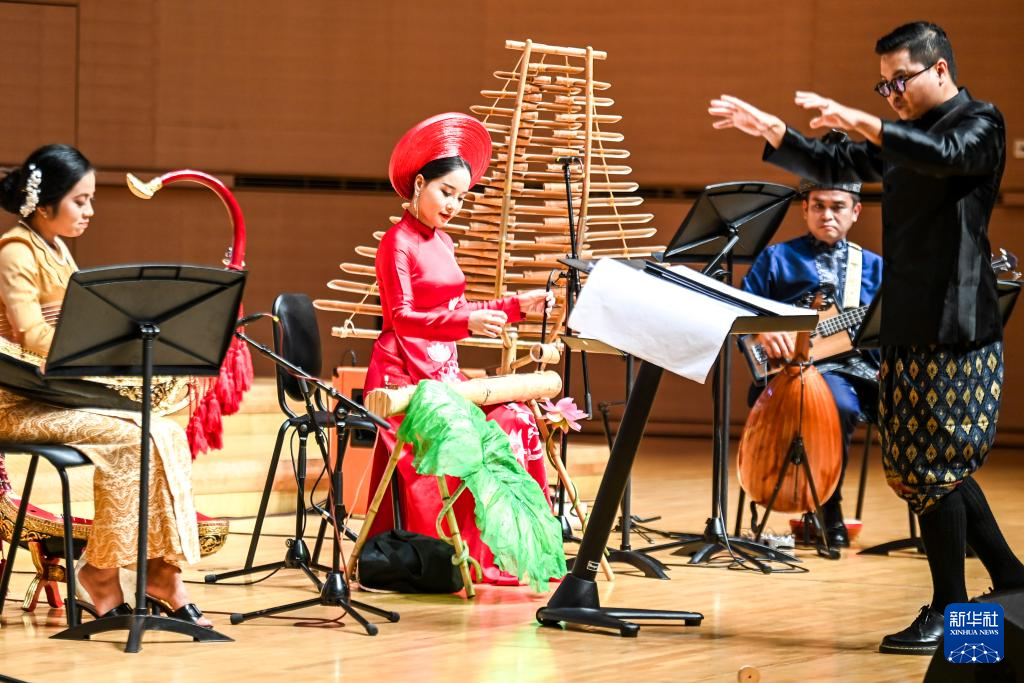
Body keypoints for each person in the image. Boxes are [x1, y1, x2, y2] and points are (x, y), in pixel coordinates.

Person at [710, 20, 1024, 656]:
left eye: (899, 81)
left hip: (956, 329)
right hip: (908, 323)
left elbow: (939, 156)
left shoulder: (979, 124)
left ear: (940, 70)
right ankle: (1014, 581)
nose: (893, 94)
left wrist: (866, 119)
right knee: (922, 470)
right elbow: (836, 161)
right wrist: (775, 132)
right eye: (883, 87)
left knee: (935, 469)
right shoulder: (904, 137)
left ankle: (951, 610)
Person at [0, 144, 212, 626]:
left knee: (166, 430)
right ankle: (100, 572)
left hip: (56, 393)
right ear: (43, 202)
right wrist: (99, 351)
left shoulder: (55, 247)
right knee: (134, 436)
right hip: (19, 400)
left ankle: (162, 573)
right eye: (80, 200)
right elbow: (32, 335)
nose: (90, 211)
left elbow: (74, 328)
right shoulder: (14, 250)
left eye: (91, 200)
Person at [364, 113, 556, 585]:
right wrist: (465, 321)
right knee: (461, 441)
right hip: (403, 377)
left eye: (461, 198)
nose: (452, 204)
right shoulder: (397, 244)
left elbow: (456, 306)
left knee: (517, 419)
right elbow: (402, 317)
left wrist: (515, 306)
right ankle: (454, 556)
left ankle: (504, 550)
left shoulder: (442, 241)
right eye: (445, 192)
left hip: (443, 374)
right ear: (420, 183)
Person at [741, 175, 882, 548]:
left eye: (837, 207)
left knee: (922, 407)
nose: (827, 215)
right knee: (837, 404)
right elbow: (740, 312)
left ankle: (944, 512)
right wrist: (761, 331)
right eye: (818, 206)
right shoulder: (777, 258)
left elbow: (889, 330)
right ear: (804, 210)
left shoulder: (873, 267)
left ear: (856, 211)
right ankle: (826, 507)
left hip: (862, 370)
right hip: (793, 371)